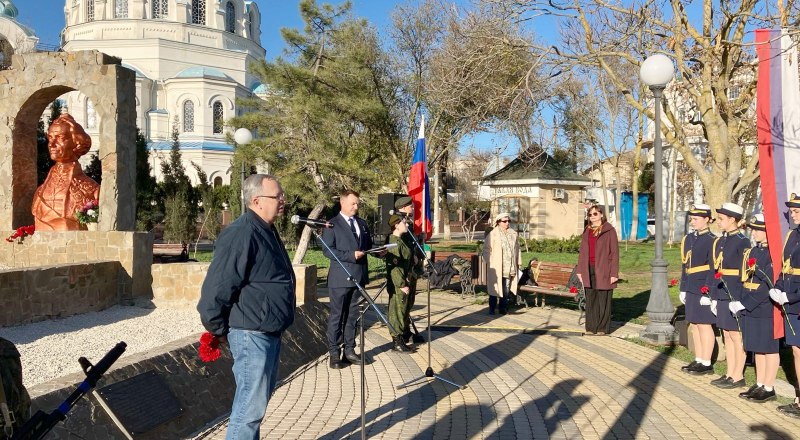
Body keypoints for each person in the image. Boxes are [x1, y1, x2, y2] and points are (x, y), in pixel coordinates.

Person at [197, 174, 295, 440]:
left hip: (266, 330)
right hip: (251, 332)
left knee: (255, 408)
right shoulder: (242, 233)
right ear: (257, 200)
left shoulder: (266, 229)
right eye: (277, 196)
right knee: (248, 411)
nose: (283, 200)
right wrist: (217, 328)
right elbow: (217, 287)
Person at [322, 190, 377, 369]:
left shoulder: (361, 223)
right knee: (337, 316)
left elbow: (368, 245)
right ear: (343, 203)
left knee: (353, 316)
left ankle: (350, 350)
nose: (356, 206)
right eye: (353, 203)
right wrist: (350, 255)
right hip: (340, 278)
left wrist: (380, 251)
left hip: (358, 277)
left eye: (358, 203)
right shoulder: (332, 224)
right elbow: (327, 250)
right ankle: (334, 353)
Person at [730, 213, 779, 402]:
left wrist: (745, 302)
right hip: (750, 304)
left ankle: (769, 386)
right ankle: (759, 383)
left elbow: (767, 285)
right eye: (754, 229)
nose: (755, 233)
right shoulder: (754, 251)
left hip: (764, 306)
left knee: (768, 347)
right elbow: (746, 279)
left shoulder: (772, 253)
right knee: (757, 347)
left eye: (759, 229)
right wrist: (740, 300)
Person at [31, 113, 100, 231]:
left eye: (60, 138)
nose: (52, 145)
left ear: (76, 143)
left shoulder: (92, 190)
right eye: (50, 138)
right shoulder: (40, 191)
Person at [708, 202, 749, 390]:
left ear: (733, 219)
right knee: (726, 333)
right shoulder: (722, 240)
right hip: (723, 290)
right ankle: (729, 372)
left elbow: (745, 271)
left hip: (735, 291)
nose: (719, 222)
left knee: (736, 334)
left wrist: (740, 297)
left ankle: (738, 375)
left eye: (722, 219)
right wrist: (714, 296)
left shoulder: (742, 241)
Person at [678, 204, 717, 375]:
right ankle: (698, 358)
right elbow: (685, 265)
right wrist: (683, 287)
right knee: (694, 323)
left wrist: (707, 290)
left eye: (696, 219)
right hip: (691, 284)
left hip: (703, 286)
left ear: (707, 219)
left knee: (704, 324)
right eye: (691, 219)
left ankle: (706, 361)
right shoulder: (688, 239)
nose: (692, 222)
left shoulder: (712, 240)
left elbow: (713, 268)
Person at [770, 193, 800, 417]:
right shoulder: (792, 235)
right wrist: (778, 287)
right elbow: (785, 266)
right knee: (797, 352)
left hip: (797, 299)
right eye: (792, 210)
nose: (794, 213)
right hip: (790, 298)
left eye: (798, 210)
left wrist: (793, 296)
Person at [577, 205, 619, 335]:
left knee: (603, 299)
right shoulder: (587, 230)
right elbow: (582, 252)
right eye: (590, 215)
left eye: (595, 214)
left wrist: (614, 273)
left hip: (604, 269)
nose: (592, 217)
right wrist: (580, 270)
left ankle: (602, 328)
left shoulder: (609, 230)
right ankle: (591, 327)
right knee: (591, 298)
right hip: (588, 268)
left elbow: (614, 253)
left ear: (601, 214)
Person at [393, 195, 425, 344]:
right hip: (402, 271)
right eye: (410, 206)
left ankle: (405, 330)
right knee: (399, 305)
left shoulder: (410, 225)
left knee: (408, 303)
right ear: (403, 208)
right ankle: (398, 335)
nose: (413, 208)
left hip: (412, 270)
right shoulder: (395, 222)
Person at [385, 214, 416, 352]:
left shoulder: (400, 241)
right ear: (396, 225)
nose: (407, 225)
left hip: (404, 280)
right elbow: (395, 268)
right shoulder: (393, 242)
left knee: (402, 310)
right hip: (398, 283)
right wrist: (402, 284)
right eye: (404, 222)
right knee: (396, 311)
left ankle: (401, 338)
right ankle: (397, 341)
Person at [483, 212, 521, 315]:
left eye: (508, 221)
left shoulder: (513, 233)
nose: (507, 223)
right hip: (497, 266)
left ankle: (503, 308)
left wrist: (519, 262)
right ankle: (492, 309)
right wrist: (490, 262)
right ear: (498, 222)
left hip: (510, 267)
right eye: (504, 221)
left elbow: (518, 249)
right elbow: (486, 250)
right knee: (495, 289)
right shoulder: (493, 234)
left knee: (506, 289)